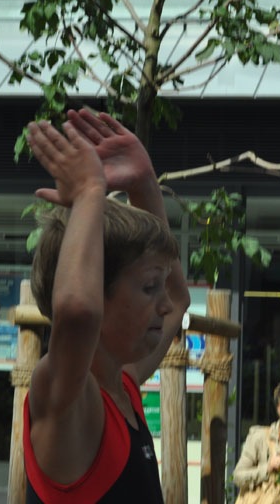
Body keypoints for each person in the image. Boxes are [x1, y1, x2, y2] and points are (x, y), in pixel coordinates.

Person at [22, 109, 190, 504]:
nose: (164, 303)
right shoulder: (67, 400)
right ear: (97, 295)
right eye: (149, 287)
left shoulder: (123, 386)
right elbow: (76, 314)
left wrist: (143, 182)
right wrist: (89, 193)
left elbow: (180, 299)